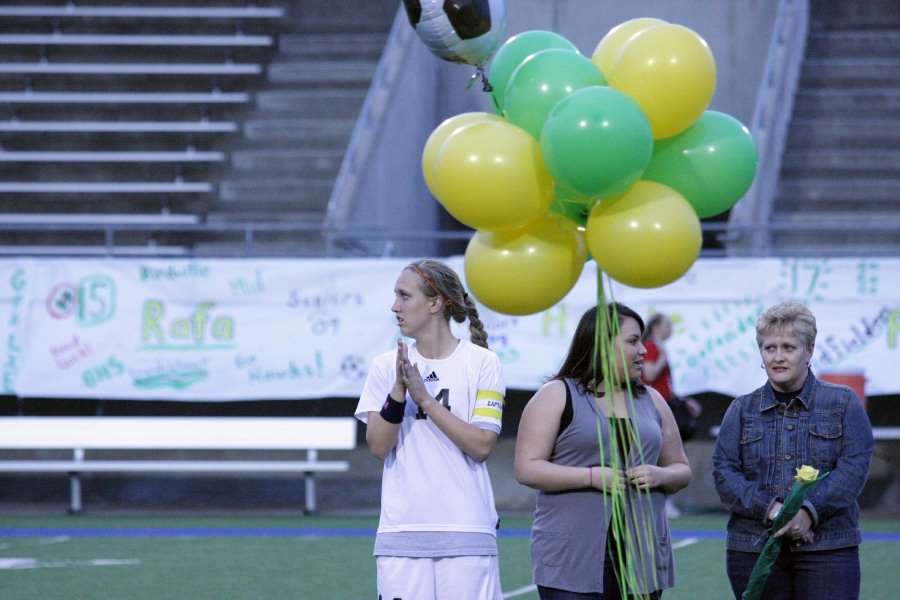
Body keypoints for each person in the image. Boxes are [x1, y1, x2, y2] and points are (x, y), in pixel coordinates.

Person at [515, 303, 692, 599]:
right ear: (603, 345)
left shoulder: (652, 399)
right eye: (633, 341)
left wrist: (659, 474)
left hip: (641, 557)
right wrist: (590, 476)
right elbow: (527, 467)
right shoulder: (557, 394)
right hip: (570, 558)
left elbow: (681, 469)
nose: (644, 351)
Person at [354, 258, 506, 600]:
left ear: (436, 303)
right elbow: (379, 447)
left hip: (467, 535)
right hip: (401, 537)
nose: (395, 306)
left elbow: (481, 446)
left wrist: (425, 399)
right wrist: (398, 391)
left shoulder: (483, 363)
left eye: (404, 296)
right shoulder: (385, 366)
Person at [712, 300, 875, 600]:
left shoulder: (843, 403)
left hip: (828, 549)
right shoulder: (740, 409)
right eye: (769, 348)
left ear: (809, 350)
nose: (778, 357)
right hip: (753, 550)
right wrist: (774, 510)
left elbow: (853, 468)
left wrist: (808, 513)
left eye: (789, 347)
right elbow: (724, 474)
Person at [641, 313, 702, 518]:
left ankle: (664, 501)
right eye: (667, 324)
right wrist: (662, 357)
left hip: (665, 404)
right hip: (653, 407)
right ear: (657, 326)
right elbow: (649, 375)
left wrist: (683, 401)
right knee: (661, 453)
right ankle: (659, 502)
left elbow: (664, 385)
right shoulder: (651, 347)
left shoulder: (657, 347)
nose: (670, 329)